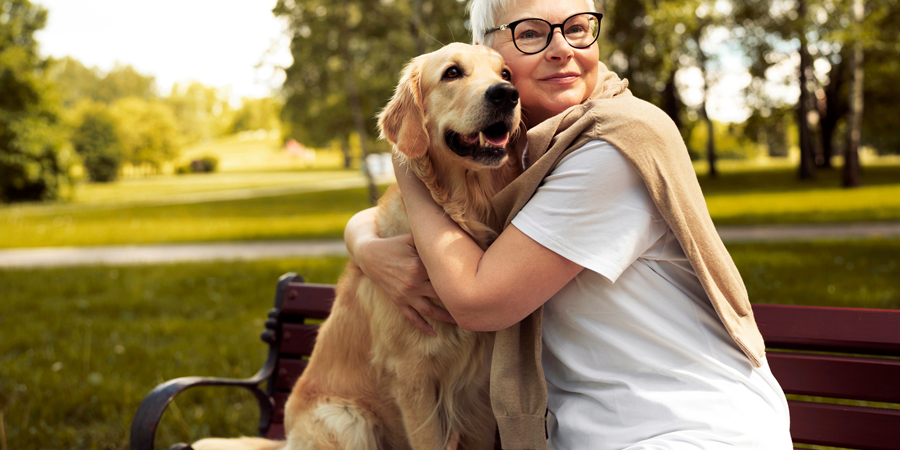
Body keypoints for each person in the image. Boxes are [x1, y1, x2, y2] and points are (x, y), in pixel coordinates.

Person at [345, 0, 793, 448]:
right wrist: (363, 242)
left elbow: (477, 301)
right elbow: (401, 217)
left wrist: (407, 164)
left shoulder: (612, 147)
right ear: (485, 50)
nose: (562, 48)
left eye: (578, 29)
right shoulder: (530, 154)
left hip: (687, 429)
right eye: (533, 33)